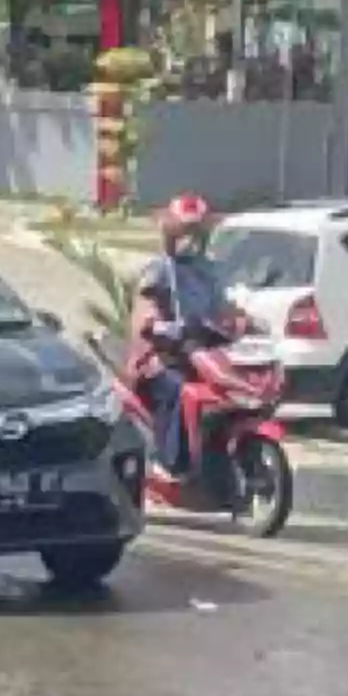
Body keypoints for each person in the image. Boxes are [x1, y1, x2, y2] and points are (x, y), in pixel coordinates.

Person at [129, 192, 235, 481]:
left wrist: (241, 322)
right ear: (170, 232)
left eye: (195, 232)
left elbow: (224, 309)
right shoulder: (159, 269)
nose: (189, 238)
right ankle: (169, 461)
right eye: (184, 231)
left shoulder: (211, 269)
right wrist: (157, 324)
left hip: (202, 351)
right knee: (178, 389)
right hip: (161, 355)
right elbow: (145, 307)